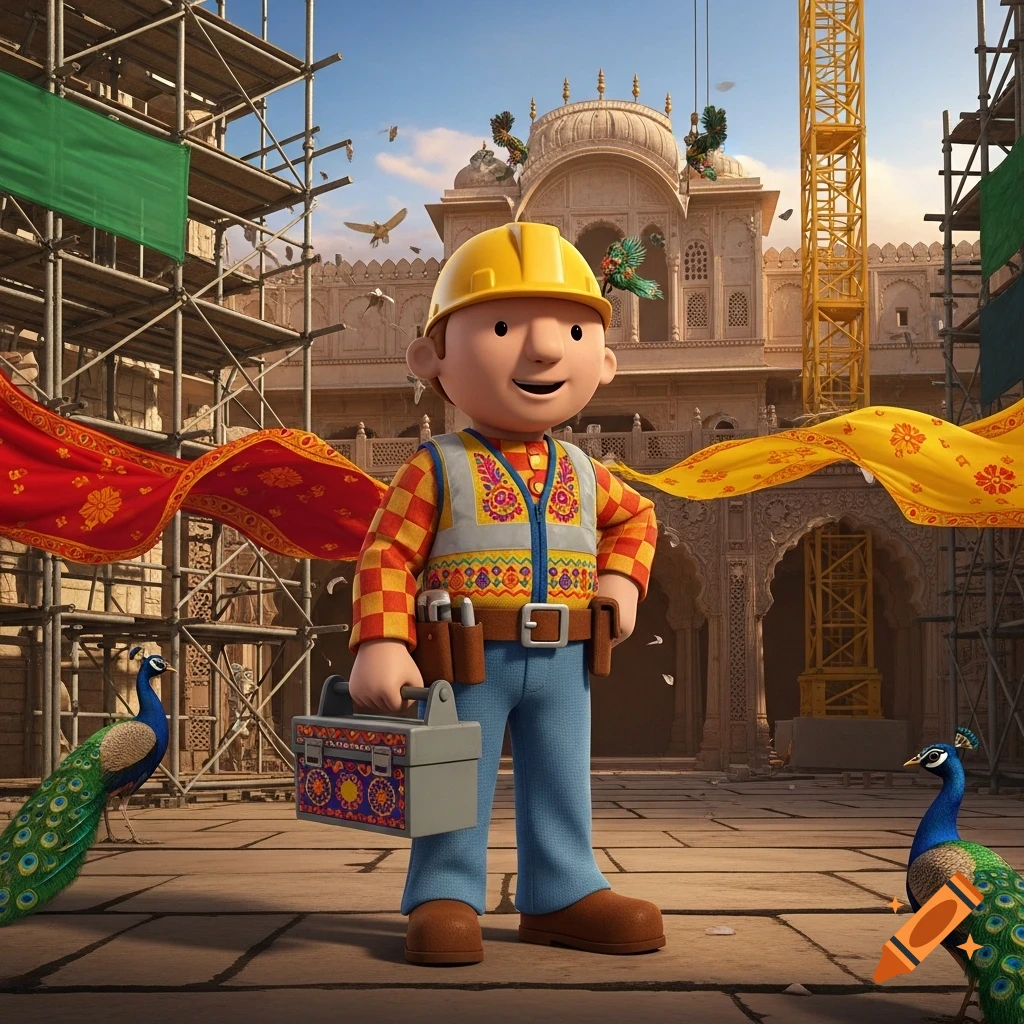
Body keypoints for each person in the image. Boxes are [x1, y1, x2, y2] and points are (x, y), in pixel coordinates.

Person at [348, 222, 664, 964]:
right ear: (432, 358)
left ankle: (563, 888)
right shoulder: (436, 467)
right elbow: (387, 551)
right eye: (501, 326)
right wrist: (383, 639)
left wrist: (619, 583)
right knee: (453, 775)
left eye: (573, 330)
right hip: (465, 657)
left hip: (566, 661)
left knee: (562, 775)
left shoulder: (585, 473)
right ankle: (444, 891)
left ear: (606, 360)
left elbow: (637, 518)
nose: (546, 350)